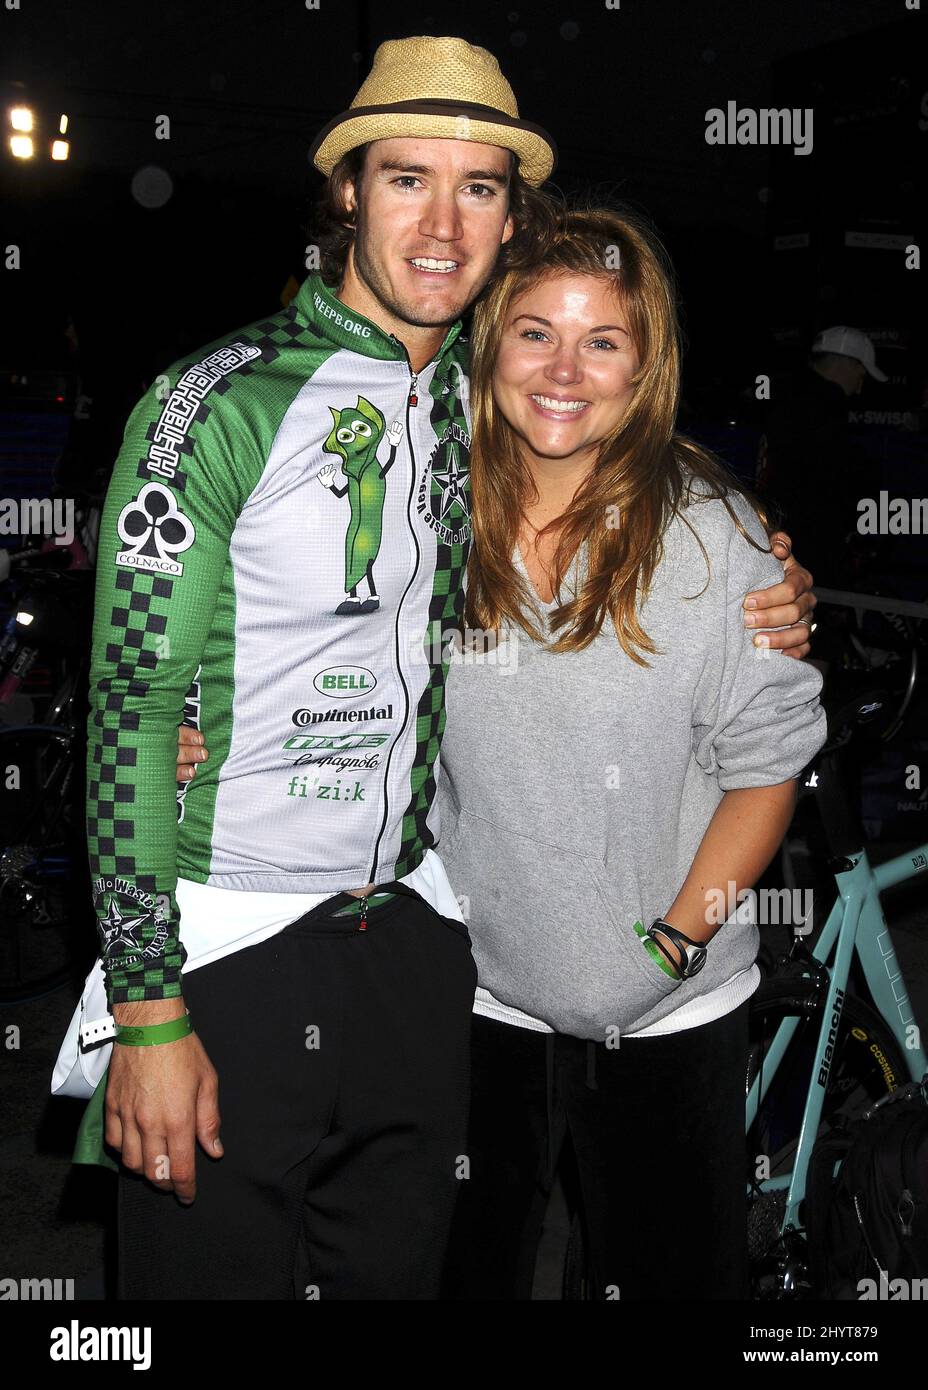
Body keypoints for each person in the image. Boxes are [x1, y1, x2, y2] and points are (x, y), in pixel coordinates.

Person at [67, 35, 816, 1301]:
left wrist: (762, 567)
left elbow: (601, 416)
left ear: (510, 215)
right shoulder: (217, 402)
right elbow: (134, 706)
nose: (439, 221)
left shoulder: (480, 395)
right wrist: (146, 1012)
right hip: (239, 931)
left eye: (477, 188)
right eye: (406, 177)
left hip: (421, 943)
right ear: (346, 191)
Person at [432, 206, 828, 1300]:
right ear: (490, 345)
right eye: (533, 333)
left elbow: (766, 767)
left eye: (601, 339)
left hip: (668, 1014)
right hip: (474, 1006)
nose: (564, 369)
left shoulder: (715, 539)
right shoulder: (431, 521)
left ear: (643, 364)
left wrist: (665, 947)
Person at [757, 325, 886, 587]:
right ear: (848, 364)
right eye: (861, 374)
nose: (860, 387)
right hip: (806, 549)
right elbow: (832, 483)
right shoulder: (823, 408)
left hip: (771, 535)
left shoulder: (782, 397)